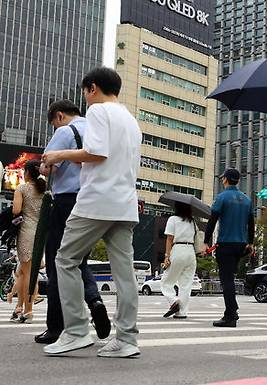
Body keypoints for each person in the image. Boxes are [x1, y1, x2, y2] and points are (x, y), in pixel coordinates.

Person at [42, 67, 142, 358]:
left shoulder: (98, 112)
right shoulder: (131, 120)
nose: (86, 98)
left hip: (97, 201)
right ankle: (126, 338)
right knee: (125, 274)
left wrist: (59, 154)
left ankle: (75, 331)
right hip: (124, 204)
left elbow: (97, 153)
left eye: (86, 92)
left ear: (92, 88)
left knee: (65, 259)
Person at [34, 100, 110, 344]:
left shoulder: (66, 131)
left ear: (58, 116)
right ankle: (94, 299)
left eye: (53, 124)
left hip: (66, 200)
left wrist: (48, 166)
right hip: (92, 201)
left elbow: (47, 166)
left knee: (59, 261)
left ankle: (56, 326)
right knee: (78, 261)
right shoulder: (96, 128)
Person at [204, 168, 255, 327]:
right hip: (241, 245)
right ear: (238, 181)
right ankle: (233, 309)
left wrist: (206, 241)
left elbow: (212, 220)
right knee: (230, 277)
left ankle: (230, 314)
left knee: (227, 279)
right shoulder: (246, 200)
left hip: (225, 244)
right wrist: (251, 242)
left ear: (225, 179)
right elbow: (251, 223)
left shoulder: (222, 197)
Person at [10, 160, 45, 323]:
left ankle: (28, 311)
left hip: (26, 232)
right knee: (28, 273)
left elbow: (16, 210)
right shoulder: (44, 190)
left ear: (27, 173)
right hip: (40, 234)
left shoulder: (22, 189)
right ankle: (23, 309)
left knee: (27, 273)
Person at [162, 202, 198, 319]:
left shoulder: (173, 219)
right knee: (186, 285)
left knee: (166, 282)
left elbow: (169, 238)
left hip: (178, 249)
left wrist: (167, 256)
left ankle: (174, 302)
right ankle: (182, 312)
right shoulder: (192, 222)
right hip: (191, 252)